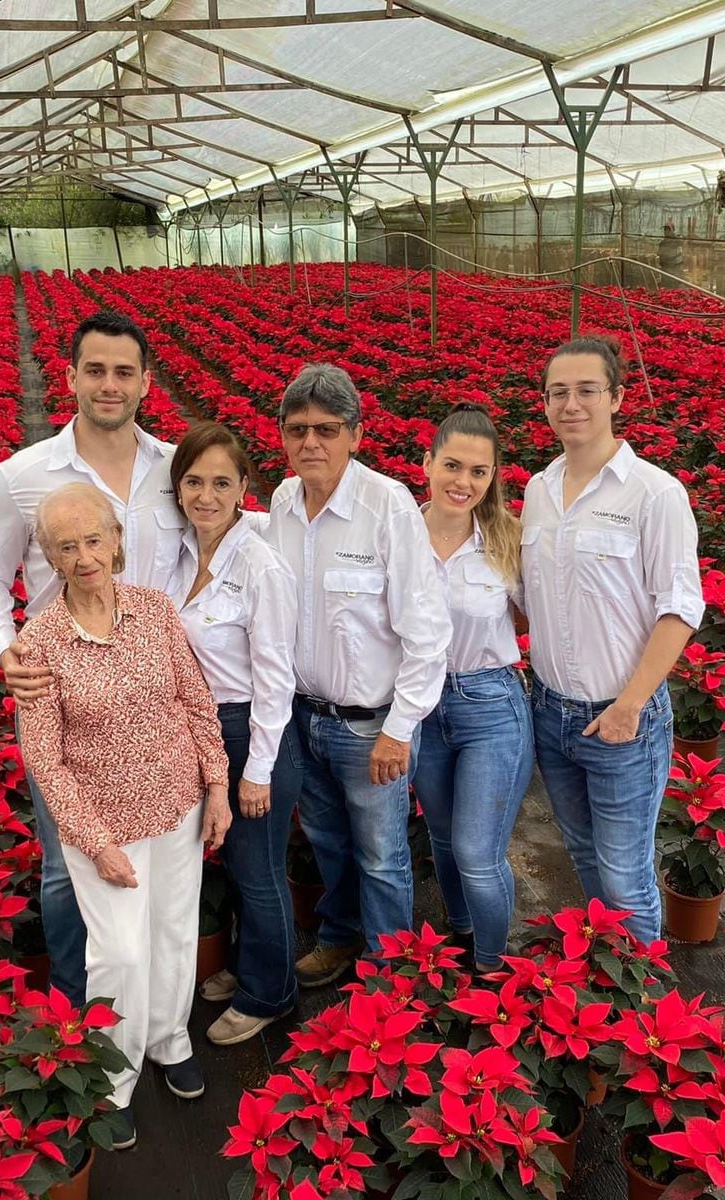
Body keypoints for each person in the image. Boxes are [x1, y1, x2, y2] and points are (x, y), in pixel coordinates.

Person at [0, 311, 185, 1007]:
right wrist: (7, 651)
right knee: (65, 861)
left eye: (124, 372)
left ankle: (151, 996)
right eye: (95, 371)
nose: (109, 385)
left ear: (146, 381)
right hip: (69, 699)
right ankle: (75, 1005)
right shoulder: (22, 475)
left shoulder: (177, 467)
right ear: (70, 378)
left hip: (160, 697)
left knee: (168, 855)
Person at [14, 483, 230, 1152]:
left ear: (116, 542)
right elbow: (44, 761)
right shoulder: (40, 641)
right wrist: (96, 842)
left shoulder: (156, 611)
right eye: (66, 546)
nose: (84, 556)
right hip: (102, 825)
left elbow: (196, 704)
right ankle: (112, 1078)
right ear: (50, 557)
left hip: (176, 806)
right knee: (118, 953)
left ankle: (168, 1041)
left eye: (94, 539)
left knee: (171, 934)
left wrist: (217, 787)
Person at [265, 363, 449, 987]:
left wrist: (400, 730)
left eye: (326, 428)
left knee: (382, 855)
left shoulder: (388, 506)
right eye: (297, 430)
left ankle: (390, 974)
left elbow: (427, 632)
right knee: (327, 842)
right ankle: (341, 939)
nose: (310, 442)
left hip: (371, 728)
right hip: (304, 716)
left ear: (356, 435)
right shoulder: (284, 501)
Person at [521, 336, 703, 946]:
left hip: (622, 717)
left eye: (586, 391)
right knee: (583, 858)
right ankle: (612, 975)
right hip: (551, 711)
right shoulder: (538, 491)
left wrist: (629, 705)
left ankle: (644, 1001)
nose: (571, 405)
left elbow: (679, 609)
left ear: (617, 398)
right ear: (544, 404)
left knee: (625, 877)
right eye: (558, 393)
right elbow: (528, 599)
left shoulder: (655, 494)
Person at [167, 422, 303, 1045]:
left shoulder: (260, 565)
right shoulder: (183, 553)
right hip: (198, 727)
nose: (206, 495)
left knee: (258, 870)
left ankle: (268, 992)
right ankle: (251, 965)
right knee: (233, 863)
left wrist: (257, 771)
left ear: (244, 487)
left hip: (249, 729)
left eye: (222, 482)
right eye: (193, 481)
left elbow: (277, 678)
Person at [411, 404, 533, 971]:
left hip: (490, 705)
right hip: (420, 705)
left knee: (478, 854)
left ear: (492, 478)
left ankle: (491, 968)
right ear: (428, 463)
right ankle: (460, 928)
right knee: (441, 839)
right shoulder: (399, 533)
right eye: (453, 466)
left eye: (478, 472)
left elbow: (532, 617)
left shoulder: (508, 540)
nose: (463, 482)